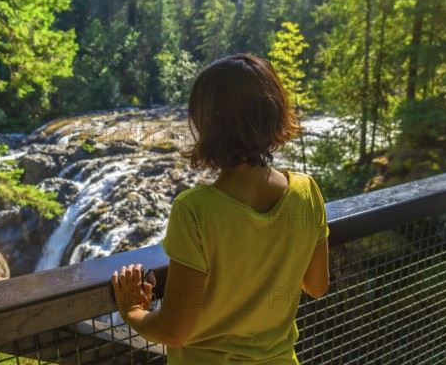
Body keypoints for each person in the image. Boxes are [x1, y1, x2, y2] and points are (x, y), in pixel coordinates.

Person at [111, 53, 330, 364]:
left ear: (206, 124)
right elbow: (317, 286)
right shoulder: (307, 191)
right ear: (275, 113)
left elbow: (174, 332)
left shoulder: (194, 210)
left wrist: (133, 310)